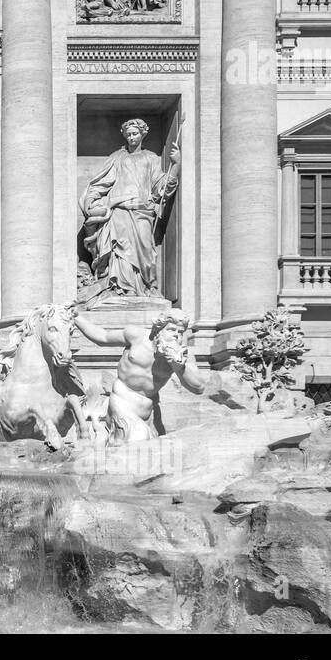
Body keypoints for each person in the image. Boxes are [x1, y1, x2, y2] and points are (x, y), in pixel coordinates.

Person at [79, 117, 179, 299]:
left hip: (142, 211)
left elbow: (161, 189)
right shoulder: (117, 158)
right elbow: (101, 183)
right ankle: (120, 289)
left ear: (143, 134)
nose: (132, 137)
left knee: (146, 252)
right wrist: (91, 200)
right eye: (128, 135)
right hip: (119, 211)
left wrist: (176, 165)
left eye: (135, 134)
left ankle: (145, 287)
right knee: (119, 251)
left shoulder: (150, 158)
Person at [74, 308, 205, 443]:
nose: (176, 335)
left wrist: (179, 368)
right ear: (158, 329)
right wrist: (76, 317)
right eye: (171, 329)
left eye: (181, 332)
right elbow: (103, 337)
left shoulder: (183, 355)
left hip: (146, 412)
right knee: (139, 439)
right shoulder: (137, 336)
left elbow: (199, 387)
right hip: (121, 402)